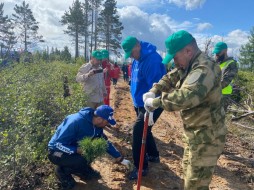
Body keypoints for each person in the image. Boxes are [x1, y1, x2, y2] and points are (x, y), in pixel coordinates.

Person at [143, 30, 227, 190]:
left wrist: (155, 102)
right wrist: (155, 89)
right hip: (194, 135)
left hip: (207, 137)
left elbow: (186, 97)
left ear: (188, 51)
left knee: (195, 185)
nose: (174, 63)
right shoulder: (188, 64)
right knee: (189, 179)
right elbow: (171, 76)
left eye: (175, 57)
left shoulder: (204, 68)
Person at [48, 105, 131, 189]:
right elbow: (57, 144)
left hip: (74, 148)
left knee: (93, 150)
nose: (108, 124)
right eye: (107, 122)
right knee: (80, 160)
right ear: (99, 119)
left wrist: (119, 158)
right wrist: (75, 150)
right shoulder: (75, 122)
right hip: (56, 152)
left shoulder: (97, 126)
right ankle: (63, 172)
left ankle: (82, 171)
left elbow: (104, 142)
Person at [121, 36, 166, 180]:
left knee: (138, 132)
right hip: (140, 103)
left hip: (151, 103)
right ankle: (153, 155)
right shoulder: (136, 59)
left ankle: (141, 167)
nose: (132, 56)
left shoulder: (152, 60)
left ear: (138, 46)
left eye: (132, 52)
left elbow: (158, 87)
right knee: (146, 129)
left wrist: (151, 107)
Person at [213, 42, 238, 111]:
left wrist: (209, 89)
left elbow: (225, 82)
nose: (216, 54)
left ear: (225, 51)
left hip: (224, 95)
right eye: (216, 52)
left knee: (219, 118)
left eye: (218, 52)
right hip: (214, 94)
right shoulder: (218, 63)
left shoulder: (231, 64)